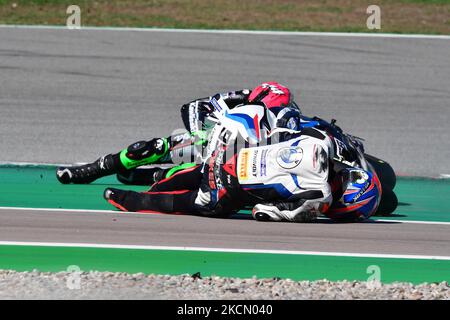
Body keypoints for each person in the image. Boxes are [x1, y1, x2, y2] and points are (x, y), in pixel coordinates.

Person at [56, 81, 301, 185]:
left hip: (242, 160)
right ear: (257, 99)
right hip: (209, 142)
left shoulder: (290, 117)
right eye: (270, 106)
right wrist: (207, 135)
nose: (274, 111)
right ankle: (95, 169)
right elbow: (192, 108)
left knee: (193, 178)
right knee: (148, 149)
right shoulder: (239, 98)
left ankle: (149, 177)